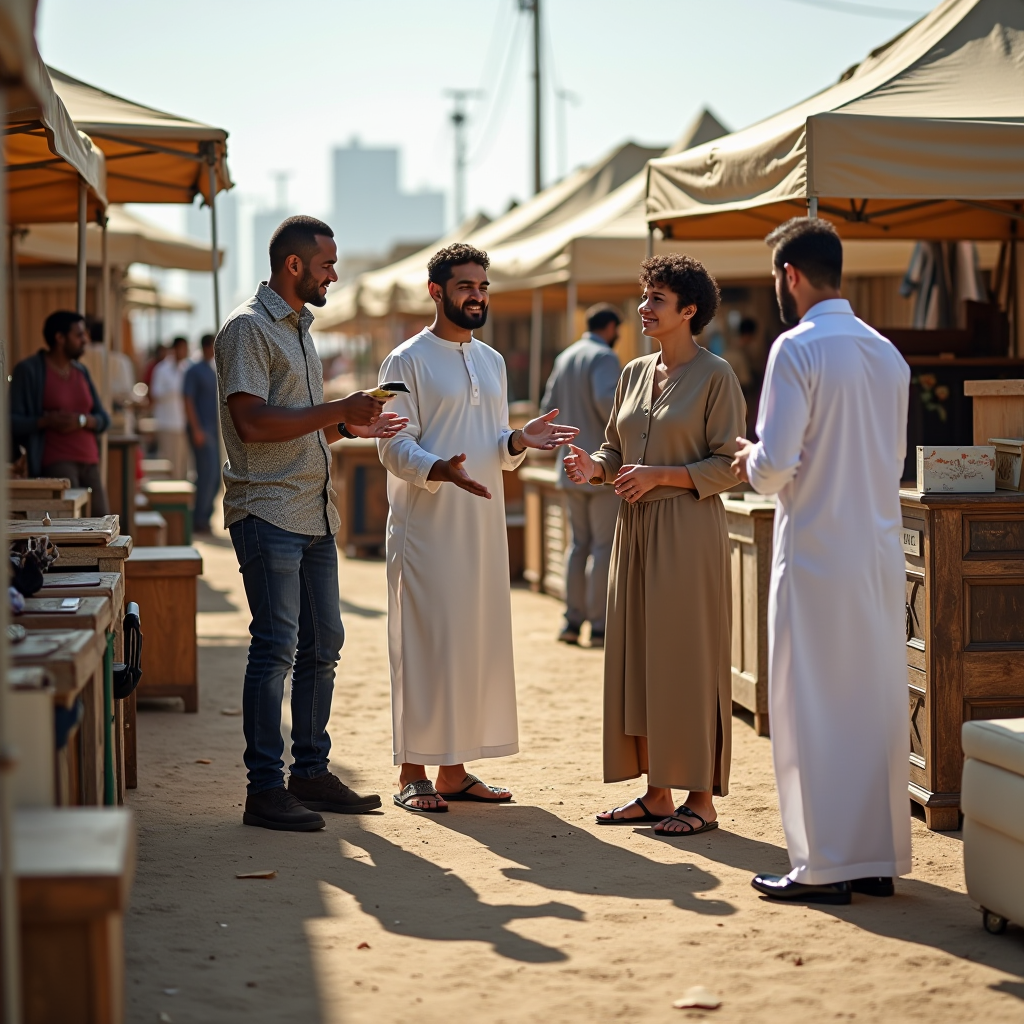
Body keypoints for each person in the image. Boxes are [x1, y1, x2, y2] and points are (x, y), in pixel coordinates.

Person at [732, 217, 911, 904]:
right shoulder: (885, 352)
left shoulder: (796, 348)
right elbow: (890, 460)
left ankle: (821, 865)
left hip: (814, 552)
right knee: (870, 705)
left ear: (791, 276)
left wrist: (750, 457)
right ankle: (873, 857)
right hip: (876, 551)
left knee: (809, 706)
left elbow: (774, 468)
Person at [216, 215, 407, 832]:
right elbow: (252, 423)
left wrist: (350, 424)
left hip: (312, 510)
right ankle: (264, 788)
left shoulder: (300, 329)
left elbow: (295, 423)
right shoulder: (247, 329)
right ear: (293, 266)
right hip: (267, 508)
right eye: (327, 264)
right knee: (275, 649)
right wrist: (337, 409)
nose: (334, 274)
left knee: (323, 645)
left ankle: (309, 771)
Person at [377, 243, 579, 813]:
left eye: (483, 287)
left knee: (471, 642)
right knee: (425, 641)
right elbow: (391, 444)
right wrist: (435, 468)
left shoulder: (491, 362)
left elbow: (495, 447)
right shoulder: (405, 361)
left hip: (483, 528)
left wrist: (517, 440)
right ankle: (411, 772)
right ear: (437, 292)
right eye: (466, 286)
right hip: (428, 528)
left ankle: (454, 771)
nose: (477, 296)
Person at [564, 255, 745, 837]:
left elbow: (730, 464)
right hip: (633, 530)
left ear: (689, 311)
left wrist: (659, 475)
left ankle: (702, 800)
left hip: (688, 531)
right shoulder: (632, 372)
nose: (643, 308)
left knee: (687, 660)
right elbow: (616, 453)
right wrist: (591, 467)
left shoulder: (717, 376)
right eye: (644, 297)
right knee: (638, 656)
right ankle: (656, 793)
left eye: (656, 299)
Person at [541, 303, 622, 647]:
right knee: (603, 547)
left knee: (578, 545)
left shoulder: (565, 357)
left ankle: (571, 622)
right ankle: (599, 623)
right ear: (610, 328)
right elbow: (609, 403)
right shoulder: (603, 358)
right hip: (599, 466)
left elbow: (547, 410)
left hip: (568, 466)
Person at [10, 310, 111, 514]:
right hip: (57, 463)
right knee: (71, 527)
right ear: (60, 338)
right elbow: (11, 422)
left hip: (90, 460)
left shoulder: (81, 371)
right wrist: (46, 421)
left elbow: (103, 419)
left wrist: (81, 421)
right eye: (79, 335)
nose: (85, 340)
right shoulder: (29, 370)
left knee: (104, 523)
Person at [183, 334, 220, 534]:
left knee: (213, 477)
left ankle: (203, 516)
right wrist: (196, 429)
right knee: (206, 475)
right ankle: (199, 518)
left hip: (212, 430)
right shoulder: (194, 370)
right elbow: (187, 400)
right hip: (201, 430)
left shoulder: (211, 369)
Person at [150, 336, 191, 479]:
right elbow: (155, 393)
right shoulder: (161, 368)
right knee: (167, 465)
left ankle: (180, 500)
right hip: (166, 423)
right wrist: (173, 390)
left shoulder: (188, 368)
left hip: (182, 424)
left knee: (182, 466)